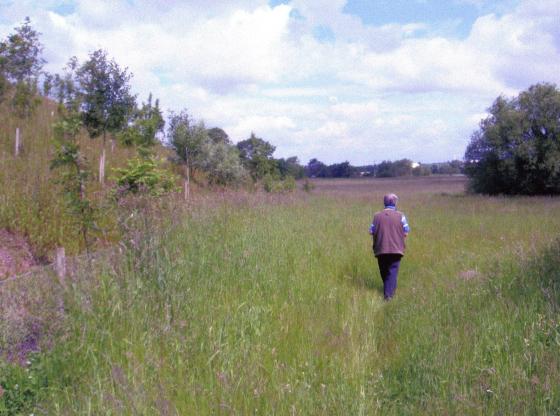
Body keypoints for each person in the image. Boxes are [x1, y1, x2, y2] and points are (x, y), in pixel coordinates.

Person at [369, 193, 410, 300]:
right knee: (392, 271)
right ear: (395, 203)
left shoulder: (376, 216)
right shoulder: (401, 216)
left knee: (384, 271)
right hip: (397, 249)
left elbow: (371, 231)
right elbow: (406, 232)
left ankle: (388, 296)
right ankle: (389, 293)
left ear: (384, 202)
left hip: (380, 249)